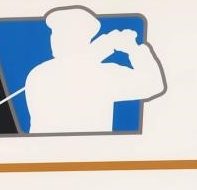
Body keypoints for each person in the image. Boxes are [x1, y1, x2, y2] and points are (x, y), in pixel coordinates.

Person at [23, 6, 165, 133]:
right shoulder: (103, 74)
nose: (53, 38)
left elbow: (75, 66)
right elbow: (154, 83)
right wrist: (133, 48)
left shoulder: (37, 73)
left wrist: (102, 47)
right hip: (90, 156)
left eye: (58, 33)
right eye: (55, 33)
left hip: (46, 157)